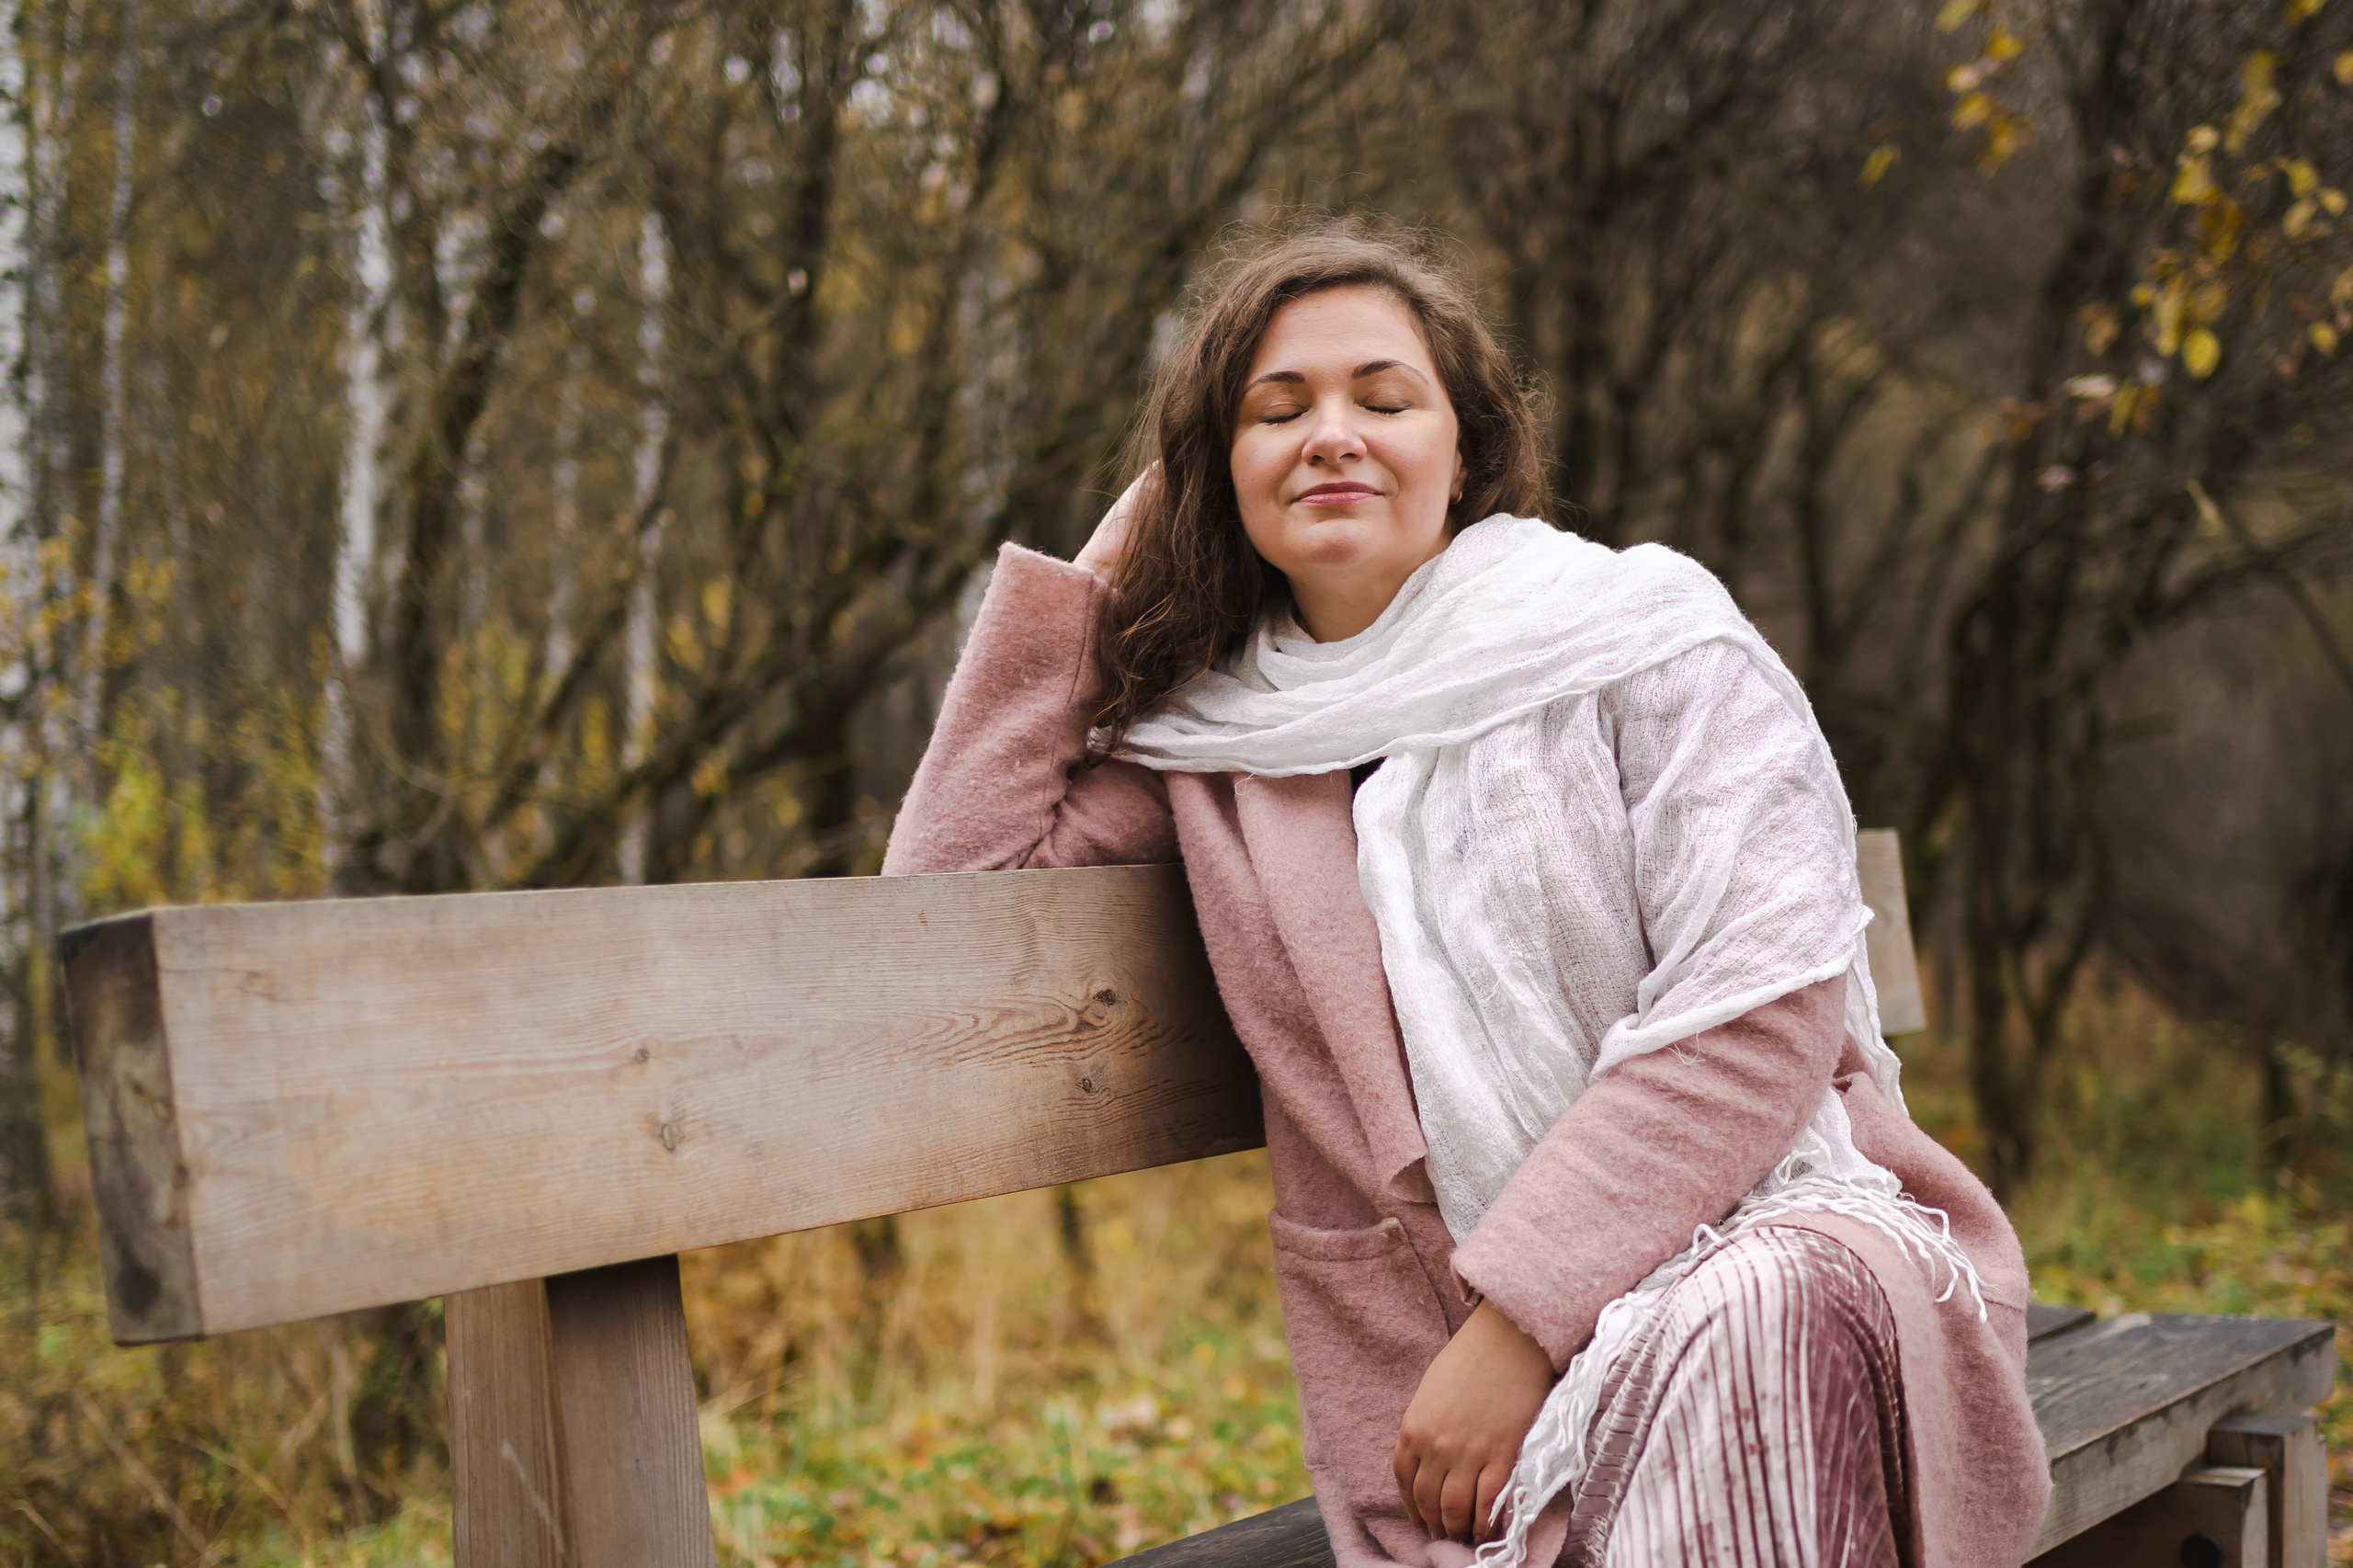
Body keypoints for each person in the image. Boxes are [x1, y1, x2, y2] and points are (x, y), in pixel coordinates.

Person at [883, 226, 2051, 1568]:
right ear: (1219, 473)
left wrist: (1525, 1318)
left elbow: (1757, 1010)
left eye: (1383, 400)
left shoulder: (1647, 638)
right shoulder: (1221, 757)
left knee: (1763, 1313)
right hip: (1443, 1399)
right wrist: (1101, 574)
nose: (1331, 434)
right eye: (1277, 412)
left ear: (1466, 451)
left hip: (1762, 1239)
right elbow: (945, 895)